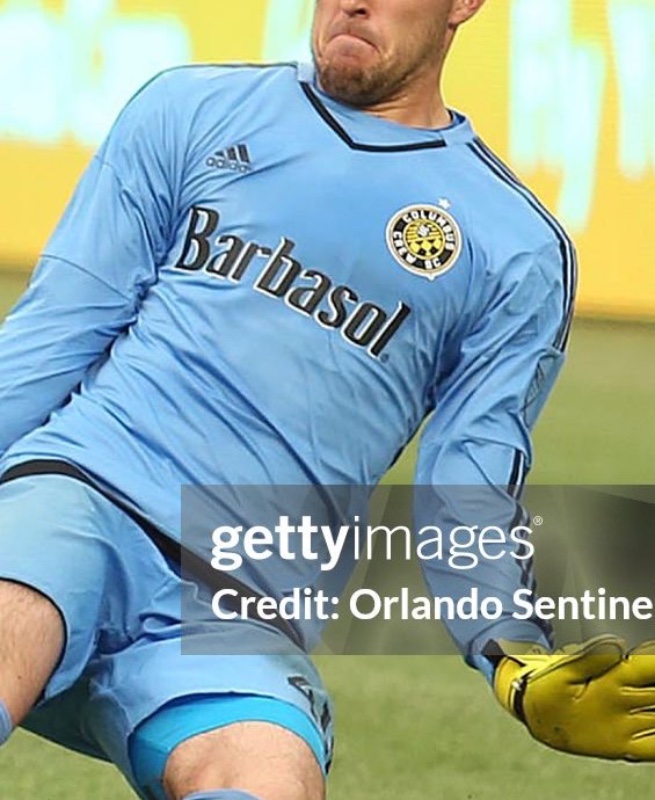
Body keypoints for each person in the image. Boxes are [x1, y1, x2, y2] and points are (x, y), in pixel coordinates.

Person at [1, 1, 655, 798]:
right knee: (15, 610)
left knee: (277, 782)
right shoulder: (190, 110)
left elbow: (467, 487)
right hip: (79, 503)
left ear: (462, 6)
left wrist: (511, 653)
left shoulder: (513, 248)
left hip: (237, 604)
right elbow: (55, 331)